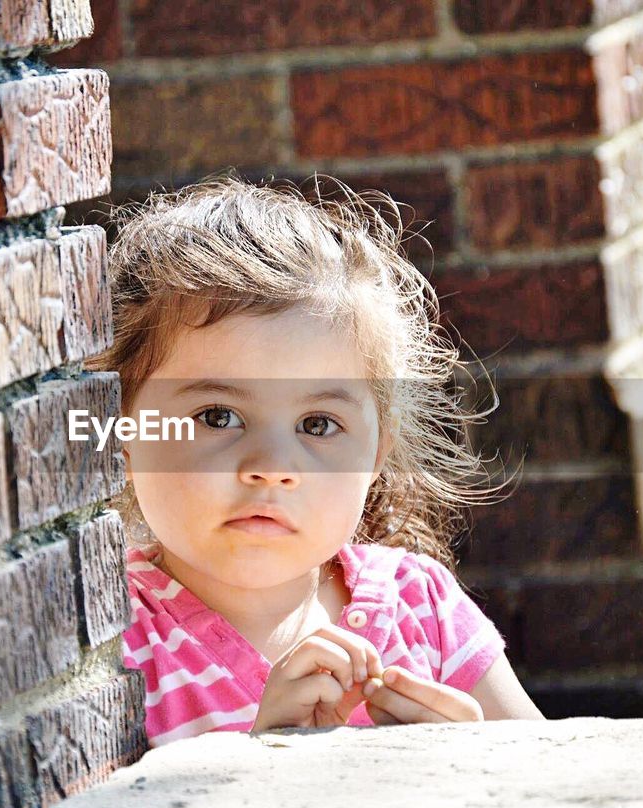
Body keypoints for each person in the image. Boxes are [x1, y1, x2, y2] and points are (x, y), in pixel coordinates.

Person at [86, 175, 544, 747]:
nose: (273, 466)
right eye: (218, 416)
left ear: (376, 452)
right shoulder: (103, 642)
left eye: (318, 425)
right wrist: (265, 760)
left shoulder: (421, 612)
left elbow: (559, 798)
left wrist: (472, 765)